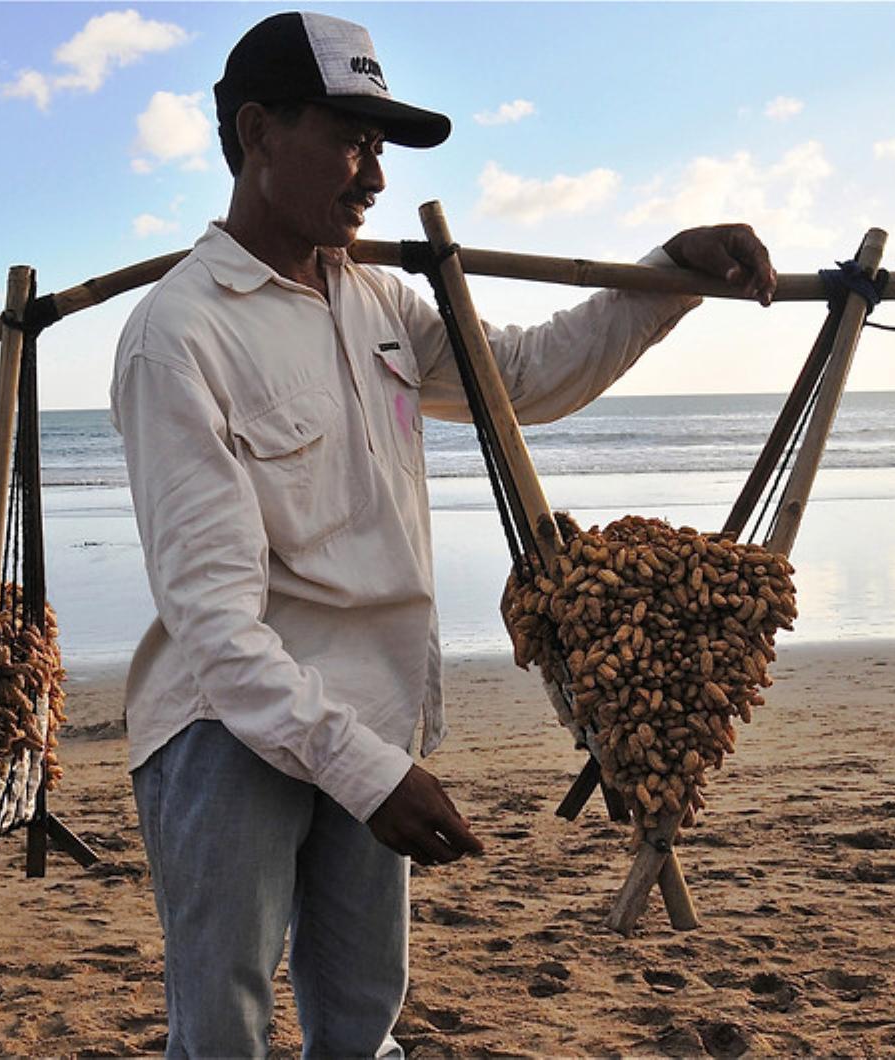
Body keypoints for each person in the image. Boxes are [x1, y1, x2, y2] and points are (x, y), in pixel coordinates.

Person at [109, 11, 776, 1056]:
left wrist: (669, 275)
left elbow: (524, 378)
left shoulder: (375, 299)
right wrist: (371, 776)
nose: (374, 177)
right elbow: (215, 624)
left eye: (379, 148)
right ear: (257, 133)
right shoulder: (179, 334)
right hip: (227, 730)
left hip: (371, 713)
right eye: (350, 141)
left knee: (362, 1021)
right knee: (224, 1028)